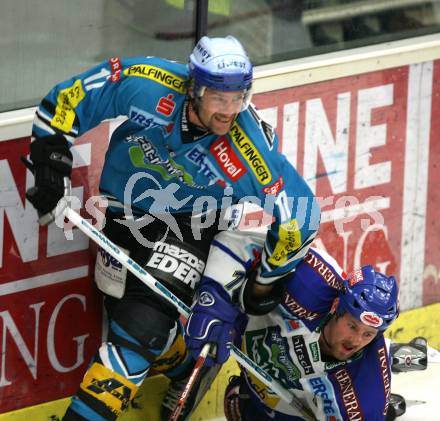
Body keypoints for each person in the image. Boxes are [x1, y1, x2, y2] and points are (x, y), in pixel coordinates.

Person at [22, 35, 320, 420]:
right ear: (193, 87)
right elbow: (70, 98)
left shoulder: (249, 149)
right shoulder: (150, 83)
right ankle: (188, 365)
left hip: (189, 226)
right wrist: (51, 164)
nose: (229, 111)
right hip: (121, 210)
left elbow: (301, 215)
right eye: (219, 98)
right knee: (141, 326)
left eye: (239, 97)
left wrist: (266, 281)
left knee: (138, 330)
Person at [185, 230, 406, 421]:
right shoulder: (310, 282)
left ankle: (390, 364)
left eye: (368, 334)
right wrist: (213, 301)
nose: (356, 341)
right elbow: (236, 244)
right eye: (352, 326)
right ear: (337, 307)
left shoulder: (363, 391)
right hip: (251, 377)